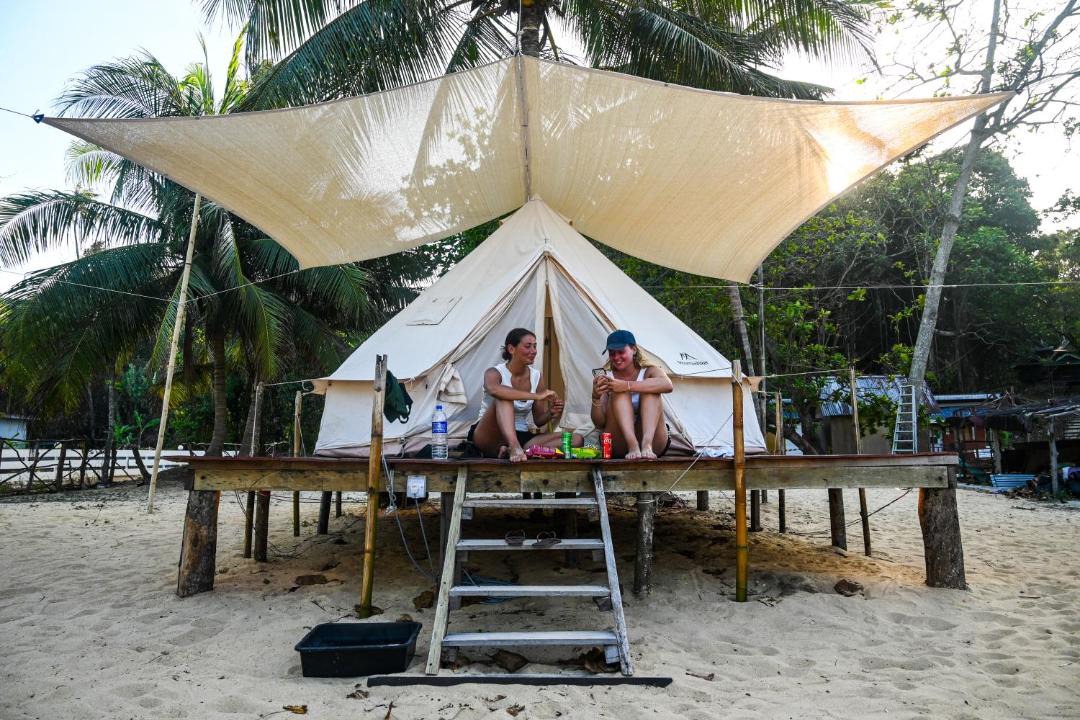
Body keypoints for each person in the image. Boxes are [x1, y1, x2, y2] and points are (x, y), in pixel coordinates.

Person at [470, 328, 582, 462]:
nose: (534, 351)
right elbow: (494, 389)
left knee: (576, 439)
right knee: (504, 397)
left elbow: (538, 421)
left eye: (535, 346)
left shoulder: (536, 376)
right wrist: (536, 396)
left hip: (521, 435)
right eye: (528, 346)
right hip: (489, 434)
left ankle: (516, 450)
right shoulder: (494, 372)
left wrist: (551, 413)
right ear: (511, 349)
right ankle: (514, 447)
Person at [591, 329, 673, 459]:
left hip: (654, 442)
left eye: (621, 352)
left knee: (651, 390)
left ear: (634, 349)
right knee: (618, 392)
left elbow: (668, 385)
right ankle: (633, 445)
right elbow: (599, 423)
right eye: (612, 353)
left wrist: (627, 386)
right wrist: (595, 397)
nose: (616, 358)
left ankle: (647, 445)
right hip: (619, 442)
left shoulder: (650, 370)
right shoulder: (607, 377)